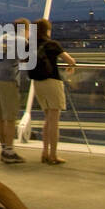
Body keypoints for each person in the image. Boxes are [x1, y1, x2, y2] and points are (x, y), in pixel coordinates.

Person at [32, 18, 76, 165]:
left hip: (38, 83)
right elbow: (70, 60)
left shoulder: (30, 45)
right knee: (54, 121)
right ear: (47, 30)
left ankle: (44, 152)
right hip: (52, 82)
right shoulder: (53, 44)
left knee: (47, 120)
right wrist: (71, 66)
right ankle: (53, 155)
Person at [0, 18, 28, 163]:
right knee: (10, 117)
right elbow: (29, 60)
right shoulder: (22, 41)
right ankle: (9, 152)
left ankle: (4, 148)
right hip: (6, 79)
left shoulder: (3, 37)